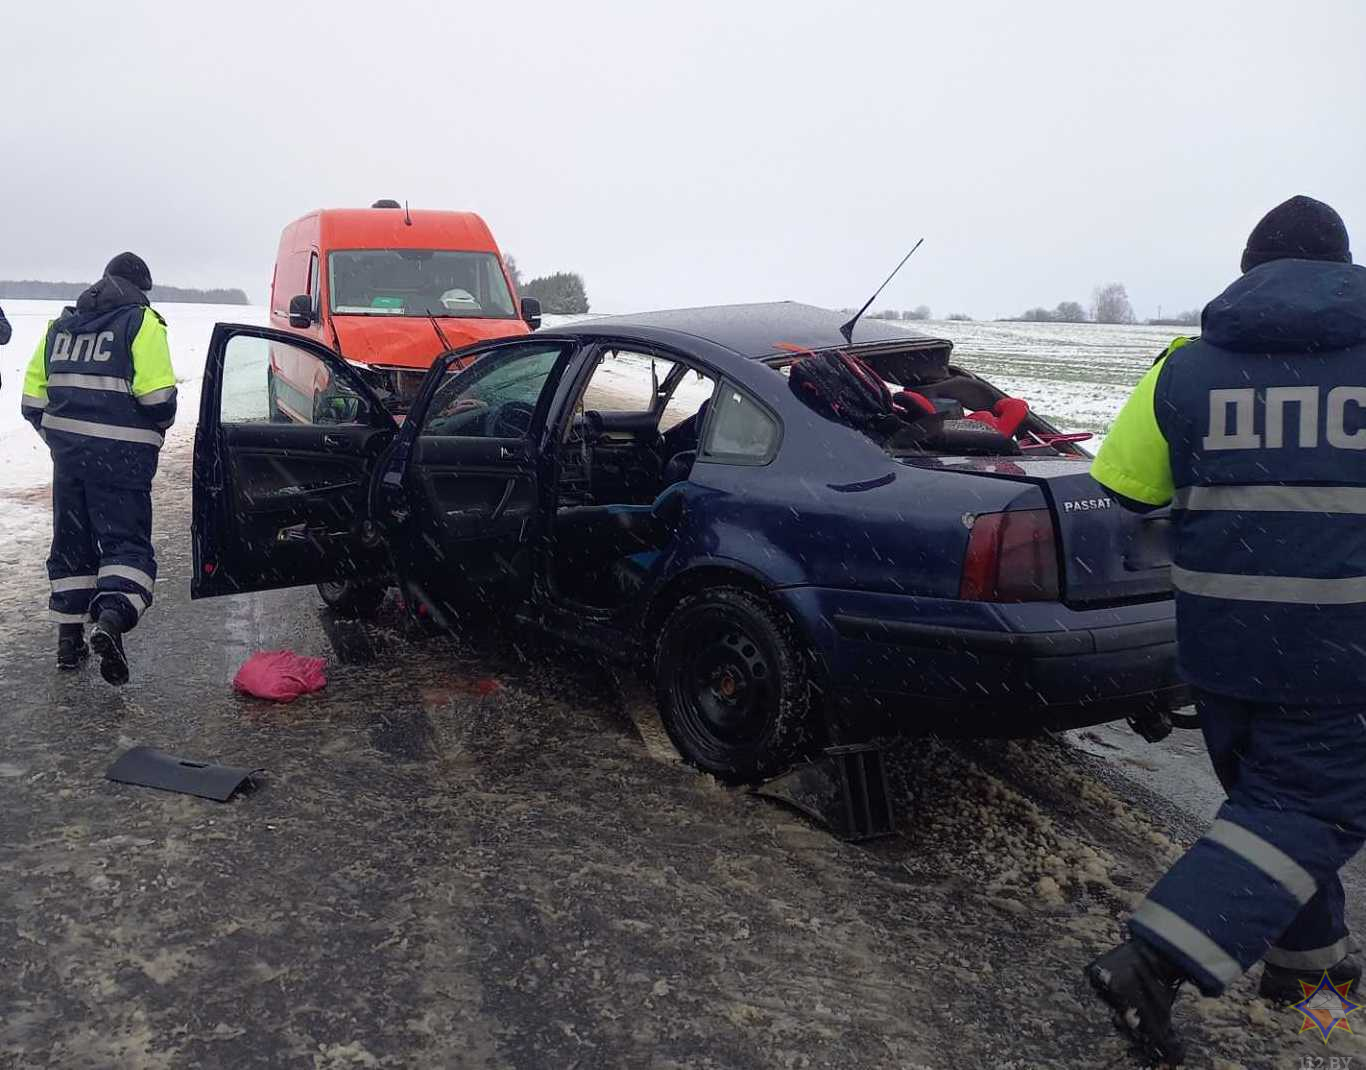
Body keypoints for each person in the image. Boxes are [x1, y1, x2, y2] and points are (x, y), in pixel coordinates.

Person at [1083, 196, 1366, 1064]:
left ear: (1248, 275)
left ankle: (1311, 982)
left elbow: (1125, 489)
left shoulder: (1183, 367)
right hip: (1343, 653)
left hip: (1221, 649)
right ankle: (1153, 963)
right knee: (1310, 807)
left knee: (1271, 809)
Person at [20, 253, 175, 684]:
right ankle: (108, 623)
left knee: (73, 548)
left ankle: (69, 646)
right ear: (140, 288)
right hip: (122, 463)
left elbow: (32, 403)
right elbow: (159, 400)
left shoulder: (60, 325)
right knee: (125, 548)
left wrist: (65, 439)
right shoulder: (141, 322)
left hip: (69, 461)